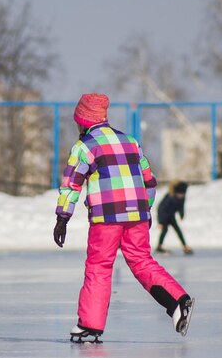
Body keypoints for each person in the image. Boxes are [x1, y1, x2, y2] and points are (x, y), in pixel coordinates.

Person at [53, 93, 194, 343]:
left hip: (107, 217)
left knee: (99, 266)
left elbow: (71, 184)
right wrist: (146, 211)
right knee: (142, 260)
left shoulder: (85, 146)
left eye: (78, 121)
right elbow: (149, 179)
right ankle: (178, 301)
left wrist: (63, 217)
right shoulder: (130, 141)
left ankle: (90, 324)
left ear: (84, 121)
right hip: (137, 213)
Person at [155, 180, 193, 255]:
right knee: (164, 230)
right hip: (164, 216)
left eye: (182, 194)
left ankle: (185, 246)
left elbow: (181, 207)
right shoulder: (170, 197)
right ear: (176, 192)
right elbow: (161, 209)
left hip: (171, 216)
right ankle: (159, 247)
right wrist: (160, 222)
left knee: (178, 230)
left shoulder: (182, 197)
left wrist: (182, 215)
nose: (181, 196)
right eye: (180, 194)